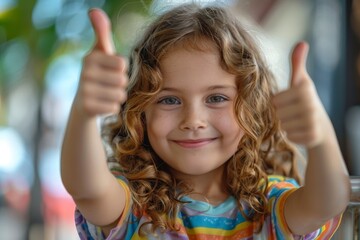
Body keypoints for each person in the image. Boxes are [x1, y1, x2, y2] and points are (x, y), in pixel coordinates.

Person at [61, 3, 350, 239]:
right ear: (139, 112)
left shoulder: (269, 205)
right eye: (169, 100)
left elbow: (329, 201)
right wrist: (84, 113)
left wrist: (321, 135)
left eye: (216, 98)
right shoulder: (133, 207)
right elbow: (86, 188)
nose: (193, 120)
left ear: (251, 106)